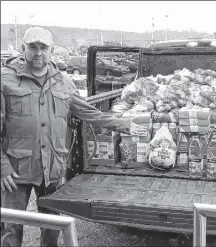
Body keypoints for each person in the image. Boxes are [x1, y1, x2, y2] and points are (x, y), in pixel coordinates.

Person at [0, 26, 147, 247]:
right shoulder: (6, 80)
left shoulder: (64, 82)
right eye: (32, 47)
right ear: (23, 48)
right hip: (15, 169)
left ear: (51, 51)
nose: (38, 52)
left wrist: (123, 124)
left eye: (43, 47)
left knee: (52, 225)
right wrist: (3, 167)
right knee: (11, 229)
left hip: (52, 166)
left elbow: (89, 112)